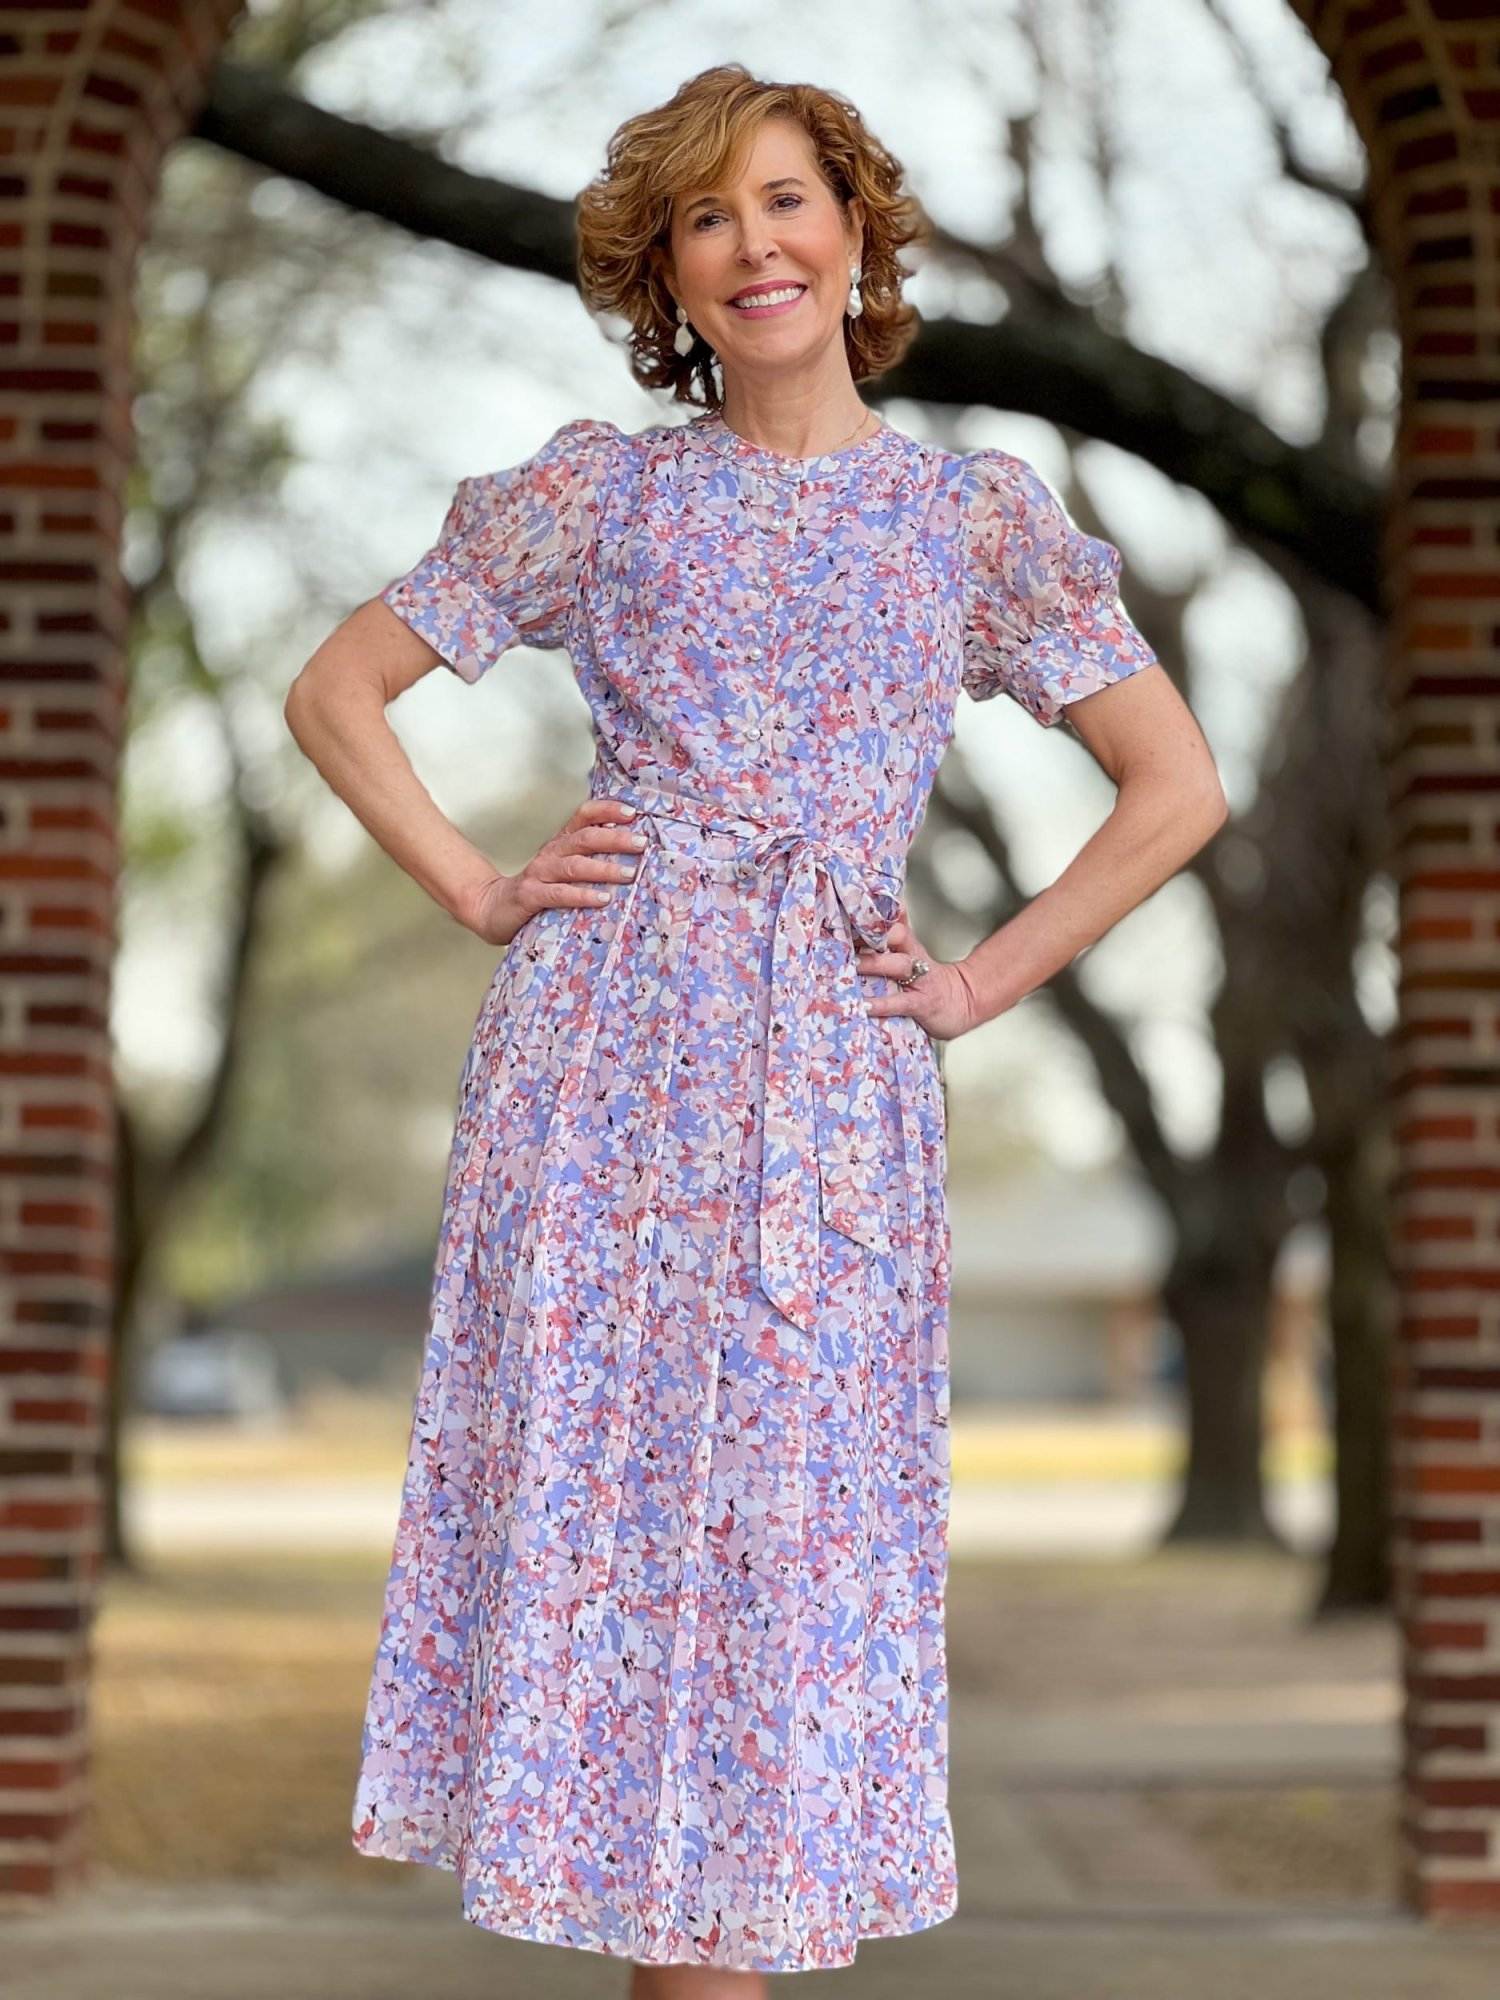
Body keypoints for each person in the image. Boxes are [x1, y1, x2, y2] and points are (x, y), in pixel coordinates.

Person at [284, 58, 1225, 1999]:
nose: (753, 243)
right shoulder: (602, 494)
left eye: (786, 200)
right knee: (641, 1536)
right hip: (612, 1057)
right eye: (707, 218)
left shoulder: (969, 521)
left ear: (858, 233)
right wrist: (478, 889)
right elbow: (339, 693)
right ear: (670, 277)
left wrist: (974, 984)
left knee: (782, 1562)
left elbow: (1175, 787)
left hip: (837, 1074)